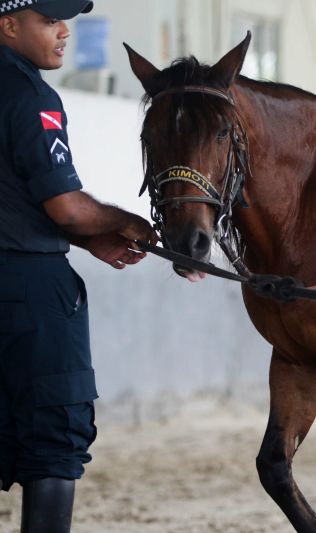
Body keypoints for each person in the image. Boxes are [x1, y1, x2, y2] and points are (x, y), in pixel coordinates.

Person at [0, 1, 157, 531]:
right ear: (9, 25)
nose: (64, 31)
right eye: (49, 20)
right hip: (29, 292)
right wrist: (125, 221)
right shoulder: (31, 98)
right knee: (53, 436)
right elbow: (65, 206)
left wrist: (87, 239)